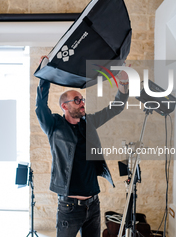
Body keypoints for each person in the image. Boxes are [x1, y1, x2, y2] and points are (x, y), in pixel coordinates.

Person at [35, 57, 129, 237]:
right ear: (64, 106)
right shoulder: (54, 126)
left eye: (82, 99)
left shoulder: (89, 122)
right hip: (69, 208)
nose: (82, 102)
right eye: (77, 100)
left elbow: (115, 108)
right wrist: (45, 75)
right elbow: (40, 107)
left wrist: (123, 84)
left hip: (93, 204)